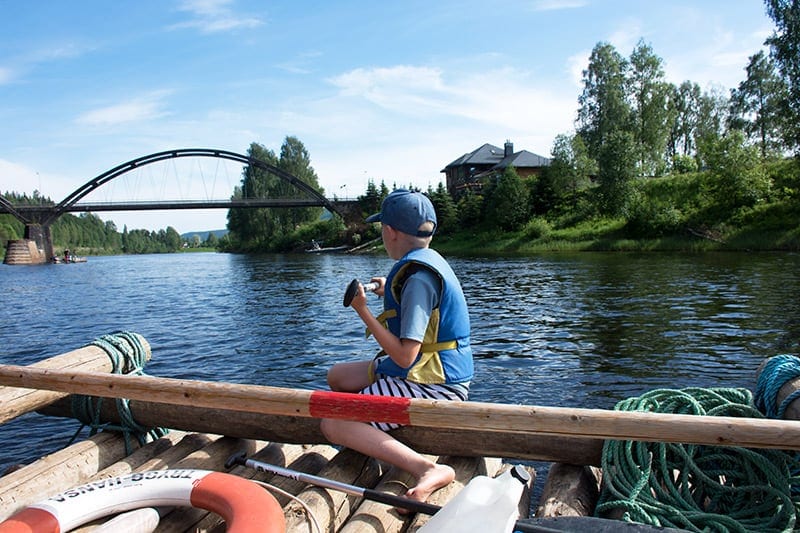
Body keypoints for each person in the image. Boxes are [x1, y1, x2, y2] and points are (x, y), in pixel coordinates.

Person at [320, 189, 473, 508]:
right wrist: (384, 286)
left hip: (435, 385)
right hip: (424, 371)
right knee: (337, 377)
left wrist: (361, 310)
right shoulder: (420, 266)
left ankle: (428, 468)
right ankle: (371, 433)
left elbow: (405, 355)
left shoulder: (417, 280)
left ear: (389, 231)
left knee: (332, 421)